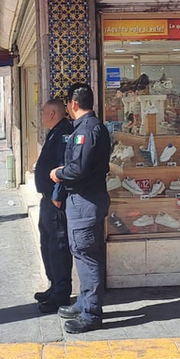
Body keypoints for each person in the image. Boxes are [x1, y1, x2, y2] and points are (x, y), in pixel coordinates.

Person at [48, 84, 111, 333]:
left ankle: (91, 313)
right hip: (84, 199)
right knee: (82, 251)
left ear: (74, 104)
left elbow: (78, 169)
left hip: (86, 200)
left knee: (87, 255)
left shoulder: (87, 130)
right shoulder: (89, 127)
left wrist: (57, 173)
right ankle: (84, 302)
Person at [33, 99, 75, 314]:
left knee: (58, 246)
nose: (40, 117)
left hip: (55, 199)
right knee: (47, 243)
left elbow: (64, 166)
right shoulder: (55, 131)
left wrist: (57, 196)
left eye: (43, 113)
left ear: (52, 114)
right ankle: (53, 286)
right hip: (47, 198)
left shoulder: (65, 133)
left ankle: (61, 294)